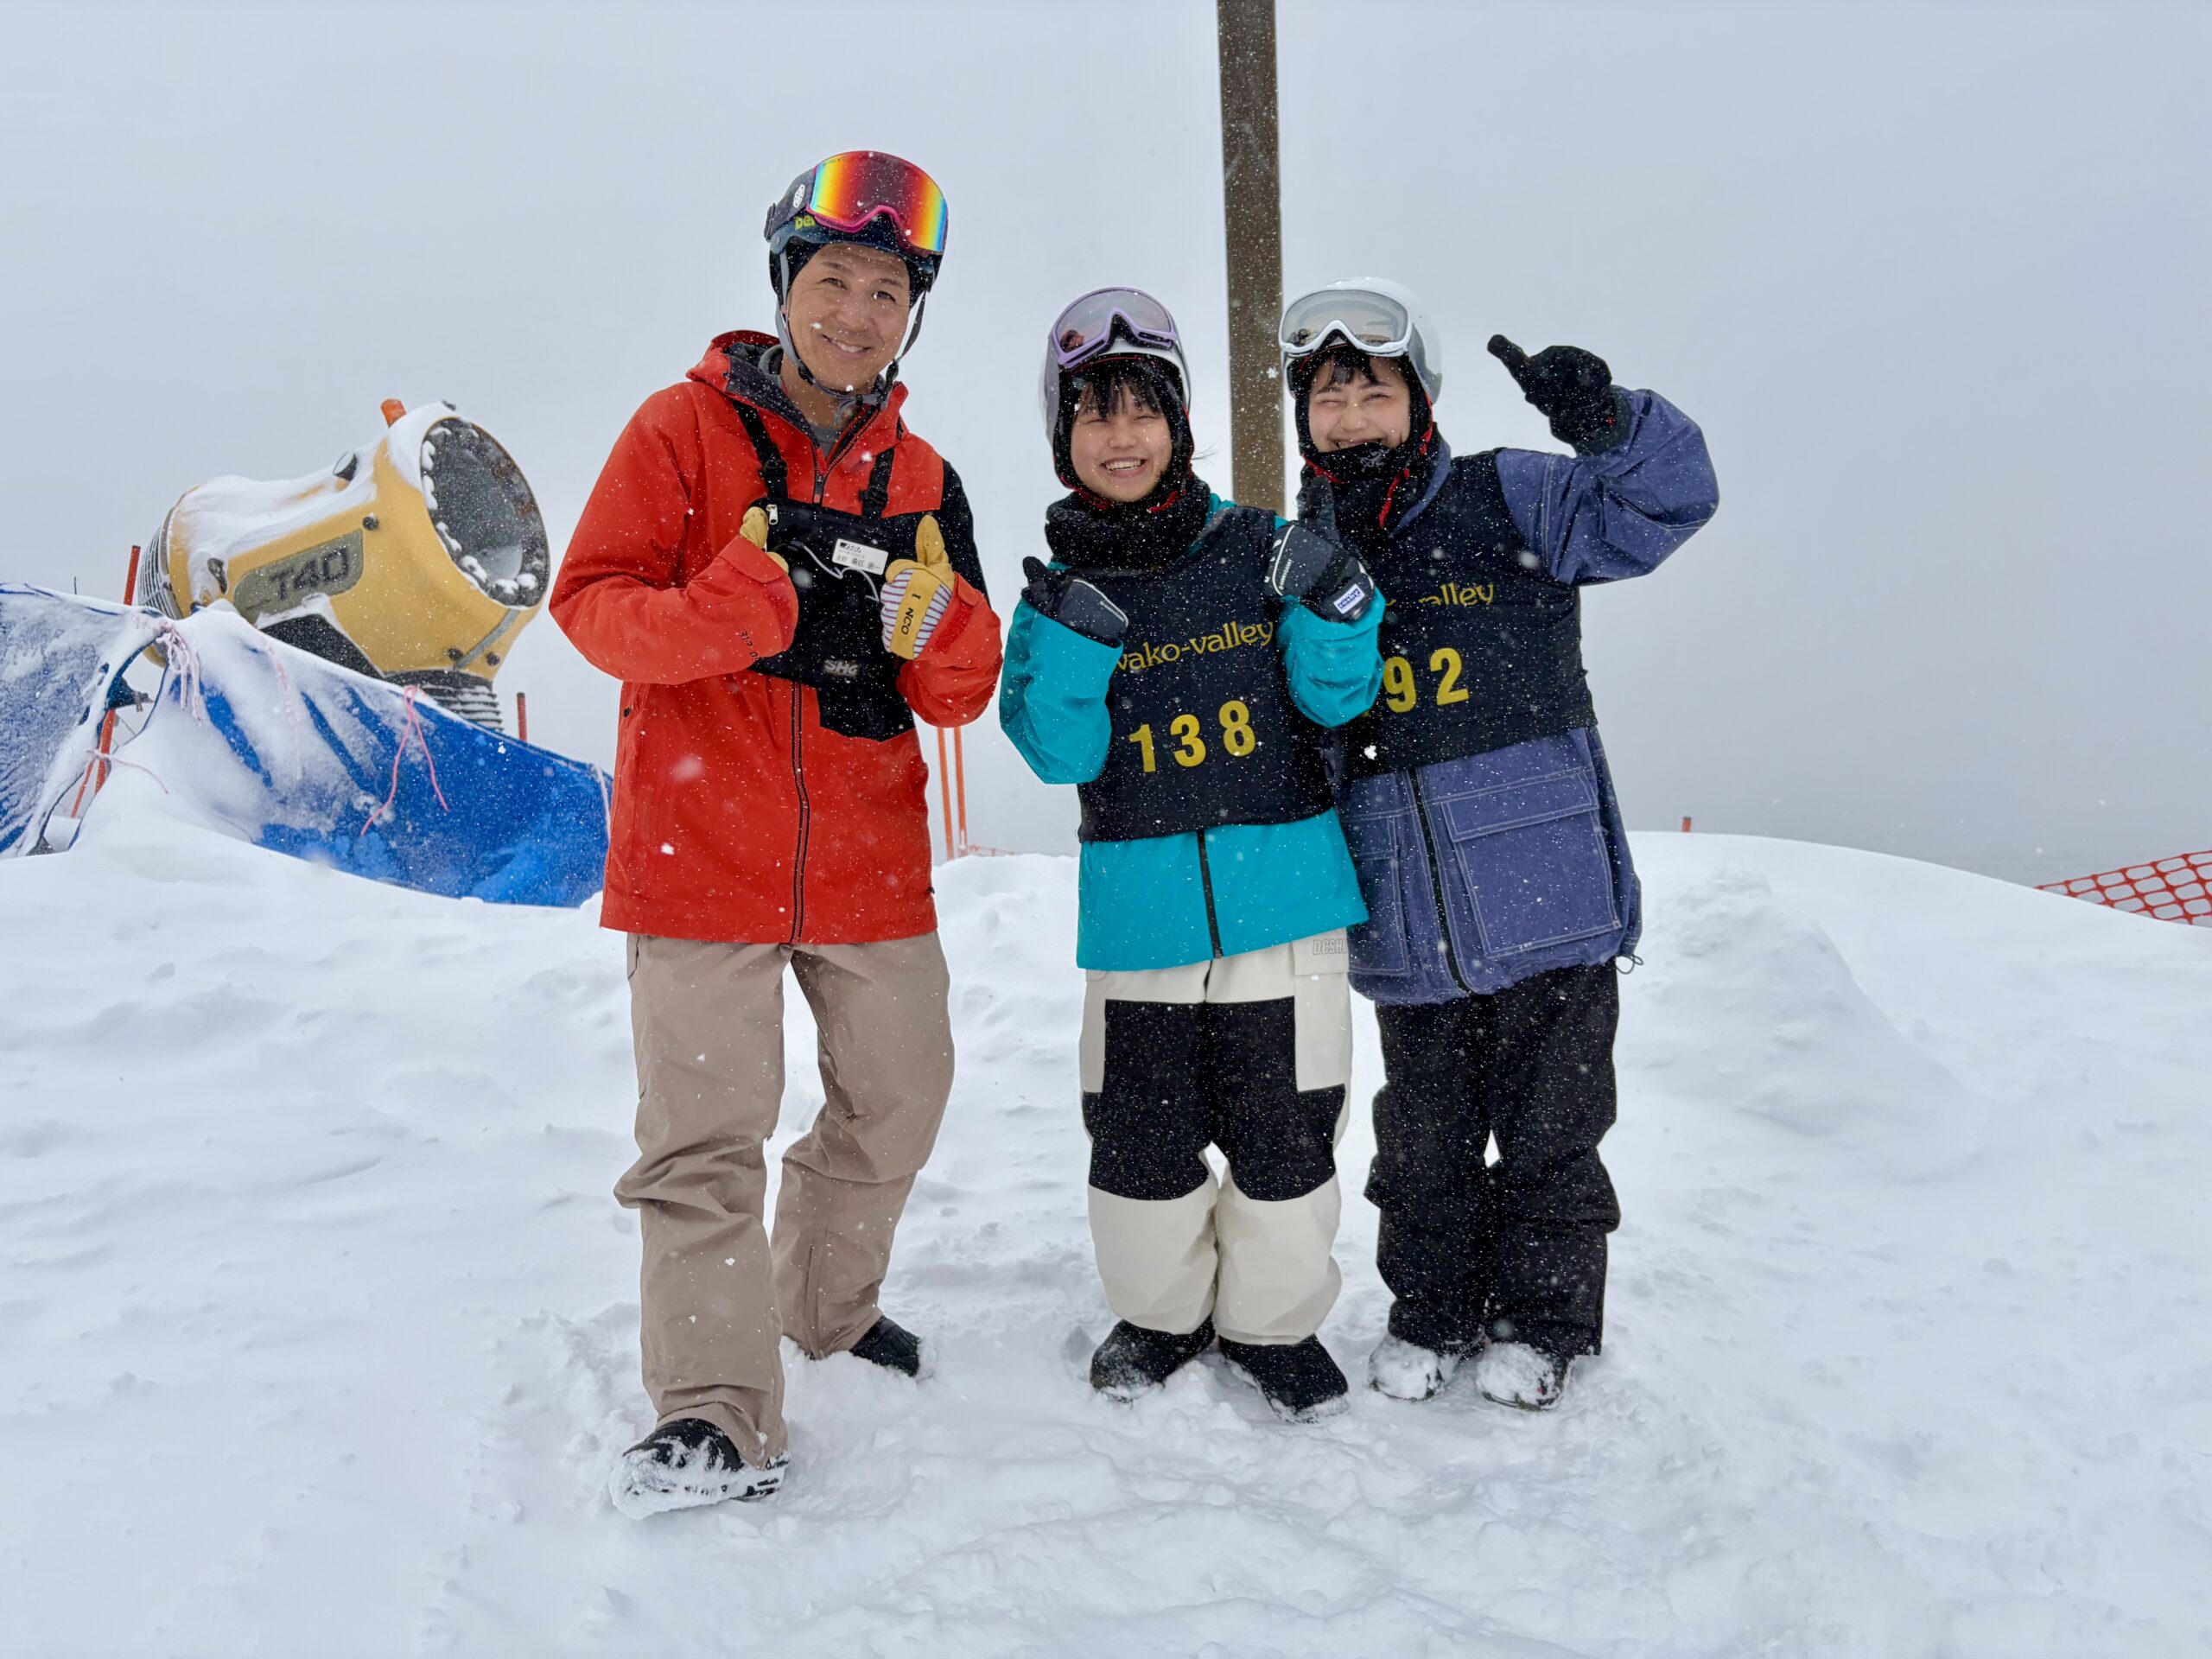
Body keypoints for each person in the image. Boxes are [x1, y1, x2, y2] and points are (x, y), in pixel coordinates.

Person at [550, 151, 1002, 1515]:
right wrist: (726, 612)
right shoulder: (678, 430)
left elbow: (960, 690)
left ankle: (824, 1305)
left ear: (911, 315)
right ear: (786, 285)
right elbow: (590, 606)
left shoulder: (922, 476)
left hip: (868, 861)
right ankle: (713, 1408)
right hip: (698, 855)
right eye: (834, 281)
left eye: (886, 292)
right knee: (704, 1139)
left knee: (900, 1097)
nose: (856, 313)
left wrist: (945, 631)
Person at [1278, 277, 1719, 1409]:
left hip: (1548, 895)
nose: (1352, 417)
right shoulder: (1301, 559)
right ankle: (1432, 1311)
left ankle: (1545, 1322)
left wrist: (1608, 422)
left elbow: (1668, 503)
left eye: (1375, 392)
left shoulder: (1510, 496)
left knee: (1553, 1134)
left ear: (1419, 400)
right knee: (1420, 1142)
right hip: (1405, 921)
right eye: (1329, 398)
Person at [999, 289, 1382, 1421]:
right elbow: (1058, 752)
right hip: (1140, 922)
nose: (1122, 437)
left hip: (1286, 912)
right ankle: (1161, 1317)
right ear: (1063, 435)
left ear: (1179, 423)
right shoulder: (1058, 592)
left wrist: (1338, 605)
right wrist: (1070, 637)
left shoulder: (1263, 550)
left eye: (1143, 411)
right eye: (1095, 414)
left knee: (1289, 1135)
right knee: (1138, 1142)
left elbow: (1337, 697)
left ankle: (1272, 1324)